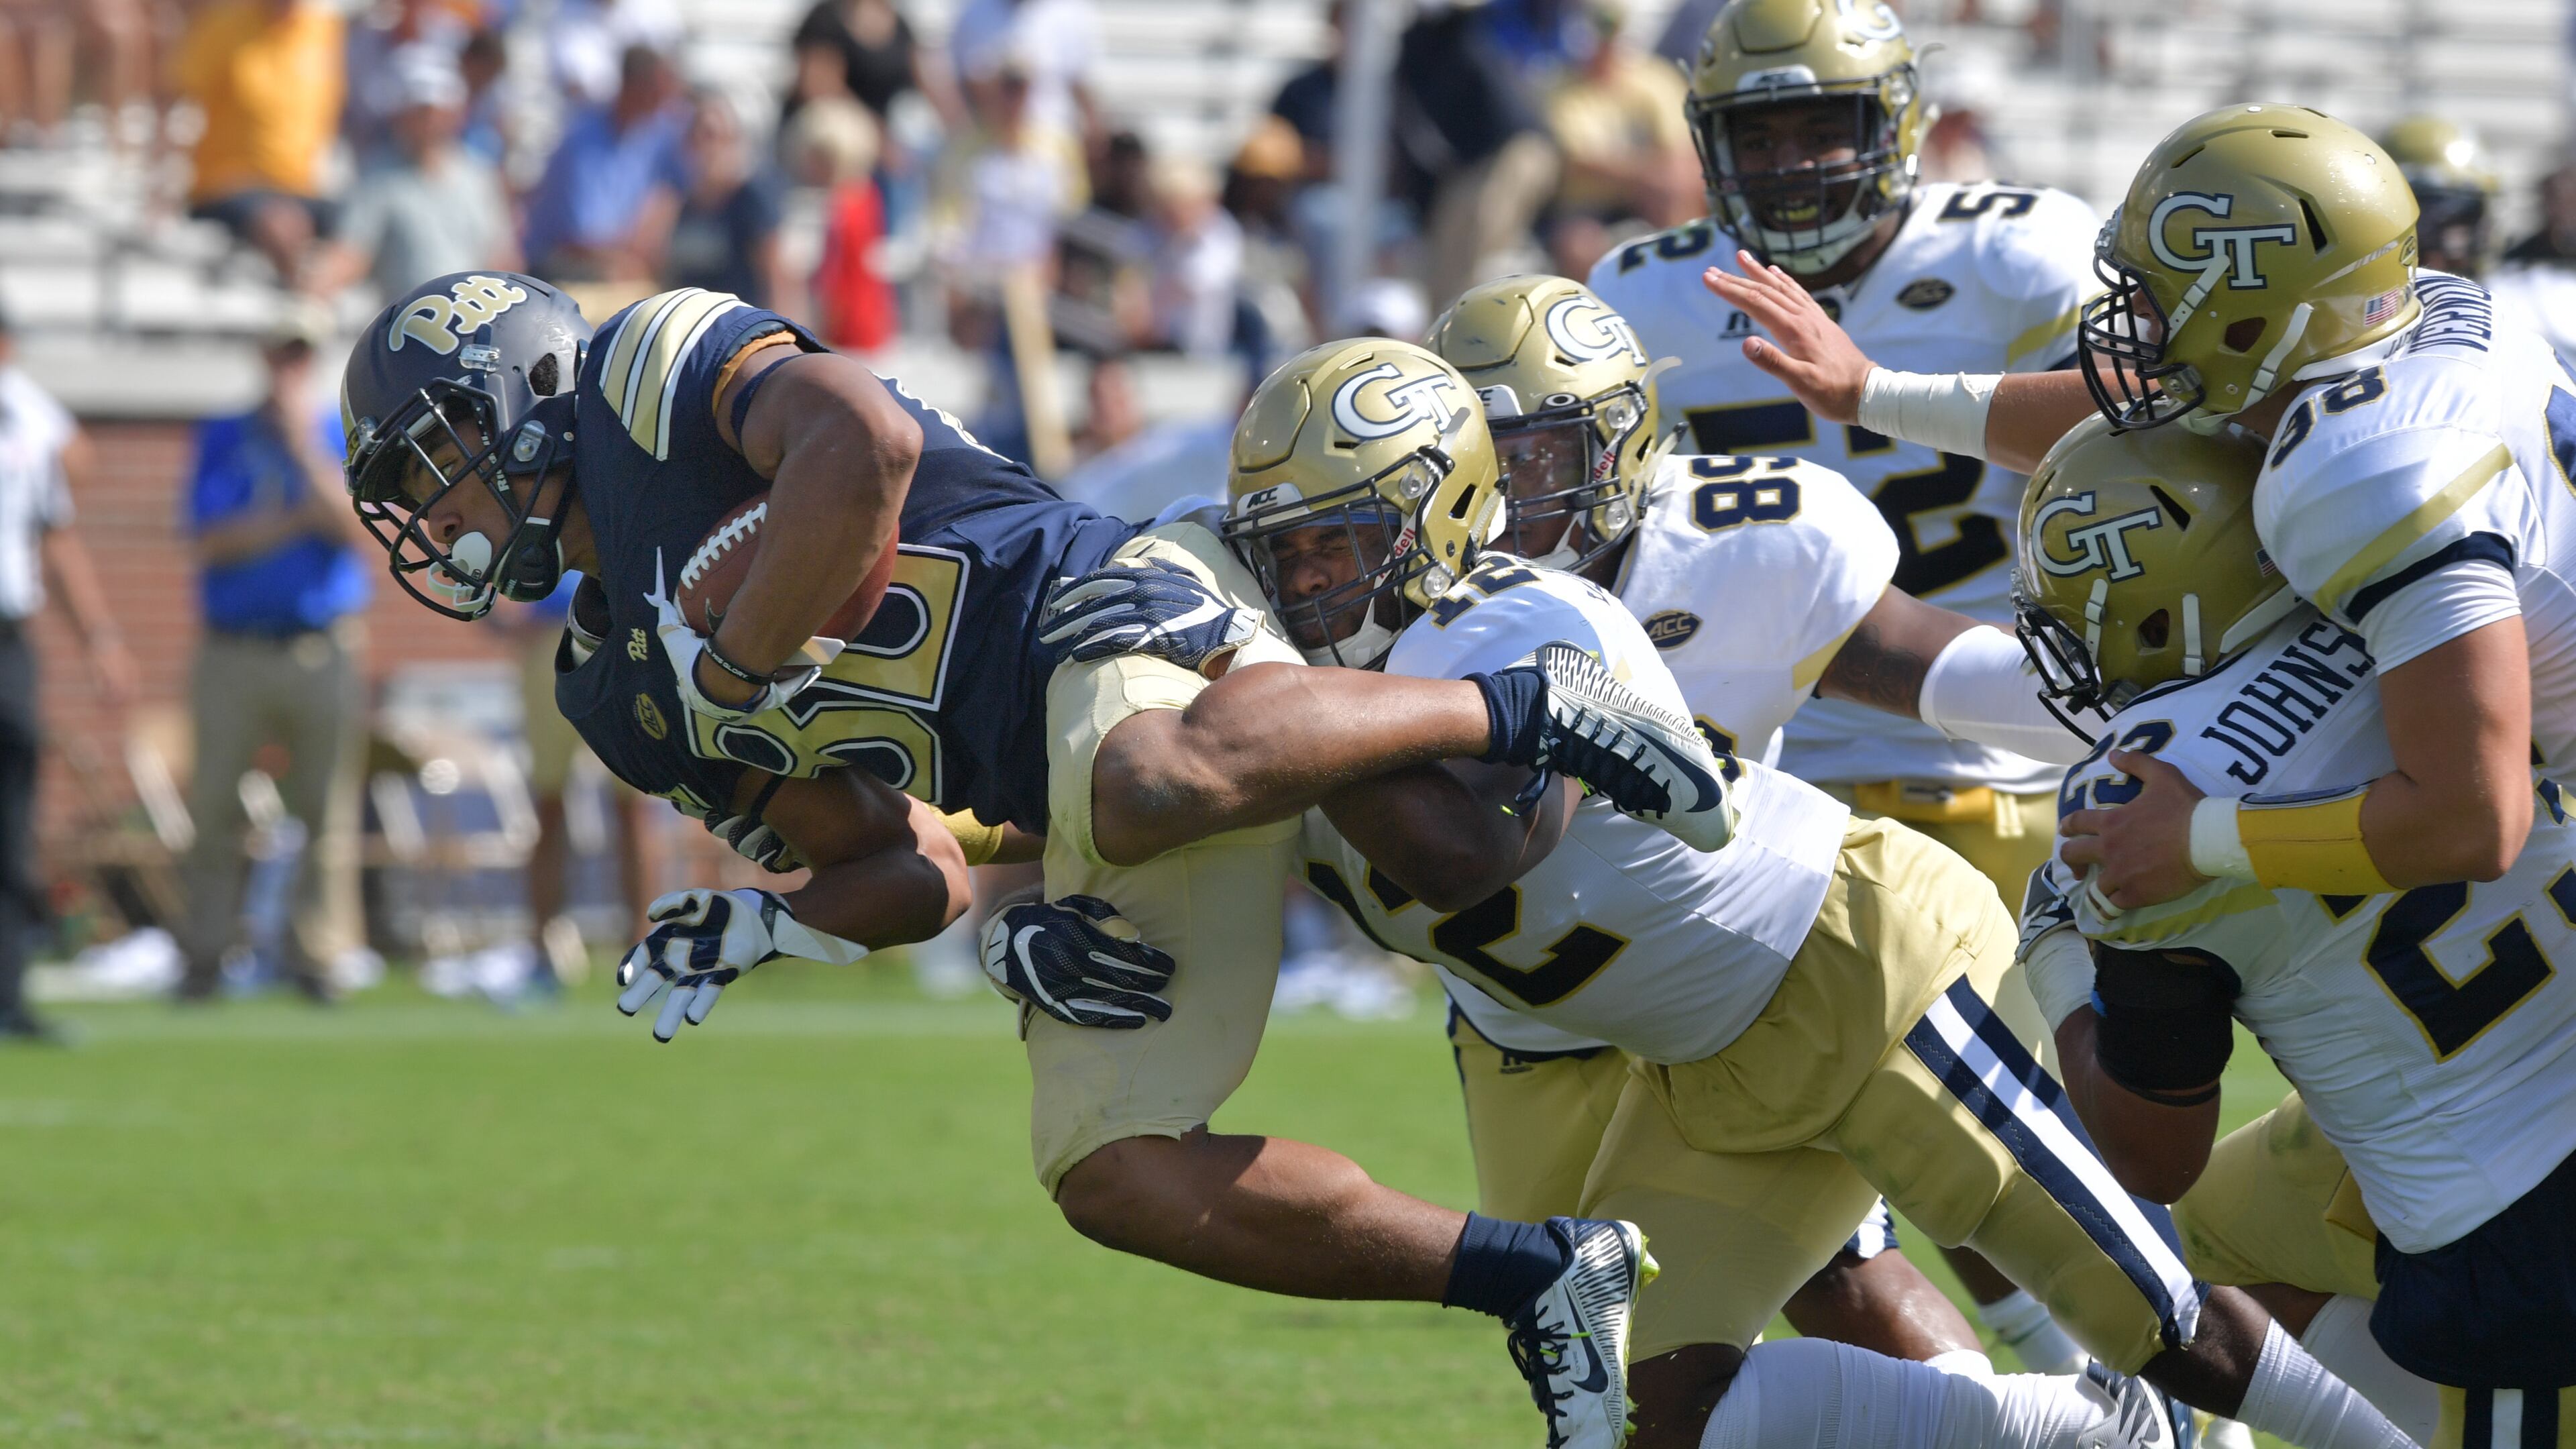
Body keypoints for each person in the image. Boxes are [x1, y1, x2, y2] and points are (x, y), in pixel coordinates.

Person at [336, 274, 1735, 1447]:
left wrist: (740, 656)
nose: (436, 513)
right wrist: (770, 923)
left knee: (1140, 780)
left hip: (1109, 602)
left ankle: (1527, 706)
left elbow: (863, 448)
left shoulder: (652, 369)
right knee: (1112, 1167)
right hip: (1073, 787)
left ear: (511, 391)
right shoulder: (608, 697)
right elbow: (915, 871)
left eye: (433, 461)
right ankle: (1540, 1277)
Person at [1073, 337, 2414, 1449]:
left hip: (1859, 965)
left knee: (2151, 1315)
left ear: (1443, 511)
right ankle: (2079, 1435)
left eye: (1338, 545)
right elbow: (1136, 810)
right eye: (1282, 554)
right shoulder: (1285, 709)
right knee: (1649, 1417)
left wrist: (1261, 700)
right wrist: (1043, 907)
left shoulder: (1532, 622)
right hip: (1704, 1066)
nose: (1308, 587)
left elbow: (1470, 851)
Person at [1420, 270, 2102, 1397]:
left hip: (1727, 978)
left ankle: (2063, 1422)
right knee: (1589, 1349)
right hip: (1525, 1020)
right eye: (1482, 455)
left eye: (1537, 451)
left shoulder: (1745, 545)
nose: (1504, 491)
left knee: (1844, 1269)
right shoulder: (1403, 599)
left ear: (1623, 442)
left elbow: (1946, 677)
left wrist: (2164, 711)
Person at [1709, 105, 2576, 928]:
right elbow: (2159, 402)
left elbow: (2472, 820)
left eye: (2158, 294)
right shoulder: (2416, 309)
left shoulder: (2360, 475)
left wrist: (2199, 838)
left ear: (2253, 308)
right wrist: (1877, 395)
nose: (2135, 320)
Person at [1587, 0, 2105, 1366]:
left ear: (1901, 128)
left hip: (2017, 758)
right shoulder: (1642, 294)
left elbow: (2151, 426)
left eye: (1830, 124)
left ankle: (2128, 1395)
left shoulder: (2016, 252)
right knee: (1856, 1174)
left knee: (2034, 1163)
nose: (1802, 161)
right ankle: (2086, 1400)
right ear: (1708, 143)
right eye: (1766, 132)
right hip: (1773, 796)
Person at [2015, 417, 2576, 1449]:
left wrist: (2053, 956)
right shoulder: (2433, 612)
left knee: (2146, 1244)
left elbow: (2151, 1153)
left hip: (2512, 1231)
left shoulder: (2137, 784)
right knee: (2214, 1235)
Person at [178, 307, 372, 1004]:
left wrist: (303, 452)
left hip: (322, 645)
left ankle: (318, 956)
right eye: (280, 353)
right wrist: (294, 521)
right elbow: (210, 539)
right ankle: (204, 955)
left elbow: (355, 530)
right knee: (213, 808)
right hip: (233, 647)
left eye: (301, 355)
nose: (288, 367)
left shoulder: (334, 432)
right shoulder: (225, 435)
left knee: (326, 811)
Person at [0, 309, 135, 1042]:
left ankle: (8, 995)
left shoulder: (22, 410)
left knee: (13, 821)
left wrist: (101, 640)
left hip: (9, 636)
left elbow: (65, 501)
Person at [307, 44, 518, 304]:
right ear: (400, 114)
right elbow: (351, 252)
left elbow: (501, 258)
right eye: (421, 111)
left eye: (438, 110)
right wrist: (314, 292)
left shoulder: (480, 177)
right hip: (413, 325)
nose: (430, 120)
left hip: (475, 321)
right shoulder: (376, 179)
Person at [174, 0, 346, 286]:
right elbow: (177, 99)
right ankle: (303, 304)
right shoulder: (223, 27)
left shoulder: (327, 31)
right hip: (227, 183)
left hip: (301, 186)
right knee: (284, 224)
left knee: (363, 224)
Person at [1540, 0, 1696, 277]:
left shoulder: (1656, 79)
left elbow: (1680, 153)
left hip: (1651, 202)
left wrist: (1641, 177)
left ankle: (1684, 281)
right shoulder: (1560, 88)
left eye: (1610, 27)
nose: (1602, 40)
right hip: (1589, 210)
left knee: (1677, 193)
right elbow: (1579, 161)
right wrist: (1644, 174)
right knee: (1578, 245)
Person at [519, 43, 686, 283]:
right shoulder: (583, 139)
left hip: (612, 263)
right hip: (558, 269)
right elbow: (581, 240)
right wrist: (631, 263)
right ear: (633, 87)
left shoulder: (654, 136)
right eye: (657, 91)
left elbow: (671, 193)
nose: (665, 102)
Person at [661, 91, 790, 314]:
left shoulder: (750, 199)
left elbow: (777, 278)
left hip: (742, 328)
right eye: (696, 137)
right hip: (693, 328)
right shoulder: (685, 203)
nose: (706, 147)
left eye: (713, 136)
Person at [784, 96, 896, 353]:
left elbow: (834, 275)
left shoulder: (851, 202)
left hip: (854, 322)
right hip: (846, 319)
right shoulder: (858, 195)